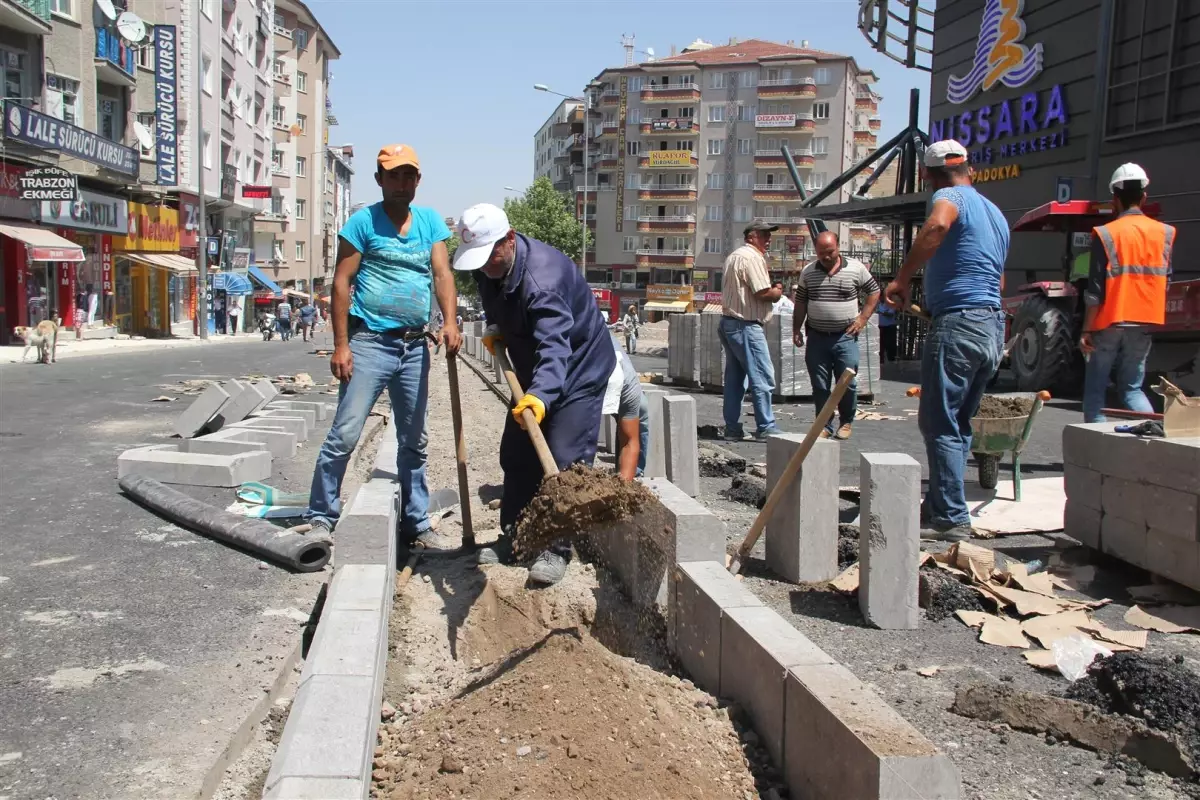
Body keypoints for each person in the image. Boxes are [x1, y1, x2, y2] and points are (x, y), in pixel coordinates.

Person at [452, 203, 615, 586]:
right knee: (516, 454)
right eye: (478, 260)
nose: (485, 266)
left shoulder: (545, 280)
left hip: (577, 370)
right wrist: (497, 327)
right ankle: (516, 538)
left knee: (561, 459)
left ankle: (556, 549)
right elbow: (499, 298)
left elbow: (555, 348)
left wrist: (540, 396)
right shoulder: (489, 264)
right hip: (532, 368)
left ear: (509, 240)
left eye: (490, 256)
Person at [305, 143, 460, 542]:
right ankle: (321, 515)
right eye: (393, 175)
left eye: (408, 175)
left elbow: (442, 275)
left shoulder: (429, 223)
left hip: (414, 348)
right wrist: (342, 345)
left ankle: (416, 520)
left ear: (417, 181)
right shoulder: (363, 223)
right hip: (370, 342)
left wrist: (451, 322)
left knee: (415, 438)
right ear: (379, 180)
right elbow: (342, 282)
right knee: (345, 432)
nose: (401, 183)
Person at [884, 140, 1007, 542]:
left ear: (927, 174)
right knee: (957, 423)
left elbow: (937, 226)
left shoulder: (949, 197)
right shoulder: (996, 213)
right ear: (968, 166)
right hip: (990, 324)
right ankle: (937, 507)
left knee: (939, 423)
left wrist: (902, 278)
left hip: (959, 324)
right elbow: (997, 277)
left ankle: (951, 519)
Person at [1080, 163, 1174, 423]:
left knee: (1096, 390)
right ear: (1144, 196)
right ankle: (1150, 442)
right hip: (1144, 321)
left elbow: (1095, 290)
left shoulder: (1106, 233)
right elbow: (1165, 280)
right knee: (1132, 388)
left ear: (1114, 199)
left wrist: (1086, 330)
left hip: (1109, 320)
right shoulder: (1164, 233)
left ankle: (1097, 450)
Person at [792, 232, 880, 440]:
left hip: (845, 337)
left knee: (847, 382)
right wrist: (796, 329)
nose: (826, 257)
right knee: (820, 385)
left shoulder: (856, 269)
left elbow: (874, 292)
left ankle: (846, 422)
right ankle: (824, 424)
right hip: (817, 337)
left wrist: (862, 319)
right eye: (821, 253)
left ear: (838, 247)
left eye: (830, 252)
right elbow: (801, 302)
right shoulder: (808, 272)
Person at [719, 220, 783, 441]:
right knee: (762, 376)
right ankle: (766, 426)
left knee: (736, 380)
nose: (768, 239)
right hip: (745, 324)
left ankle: (732, 428)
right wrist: (777, 292)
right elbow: (762, 293)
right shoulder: (752, 257)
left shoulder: (735, 256)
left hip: (730, 322)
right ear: (752, 236)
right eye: (764, 235)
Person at [601, 341, 649, 480]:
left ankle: (634, 473)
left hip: (624, 386)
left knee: (640, 413)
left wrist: (623, 490)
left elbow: (629, 440)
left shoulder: (628, 385)